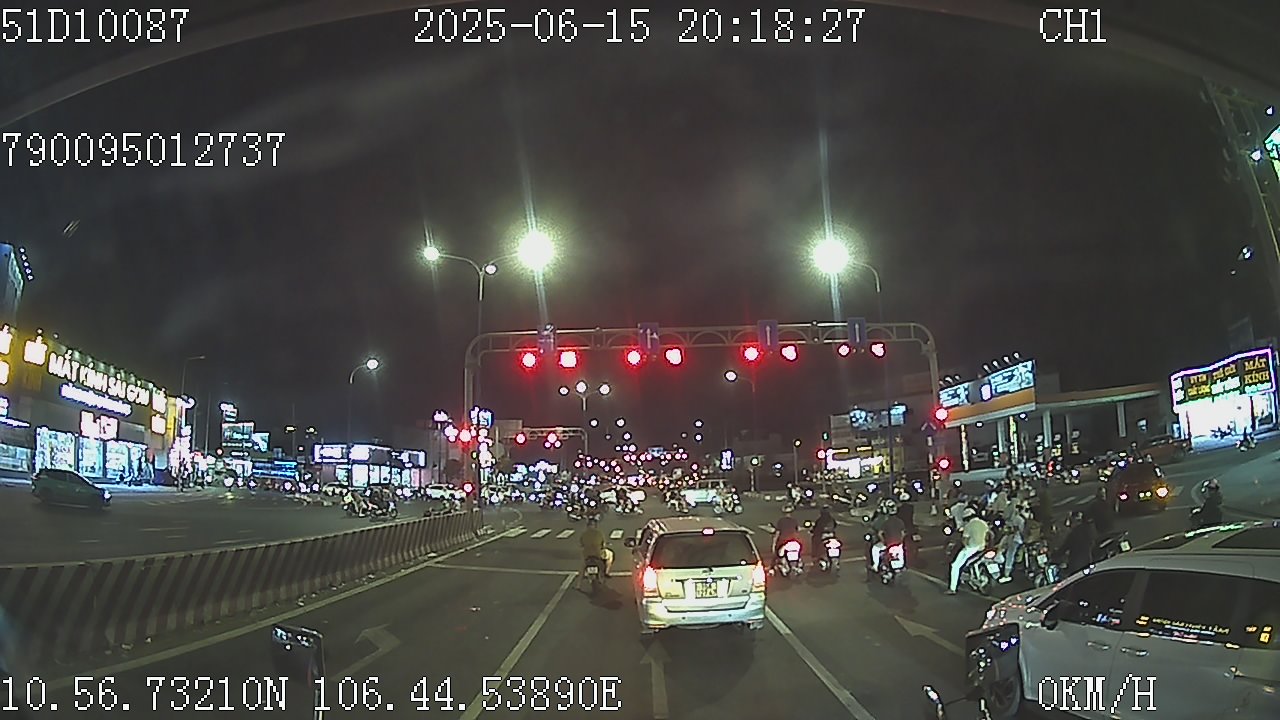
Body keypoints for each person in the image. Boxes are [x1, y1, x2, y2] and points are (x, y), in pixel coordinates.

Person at [947, 508, 990, 595]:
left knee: (955, 566)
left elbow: (965, 540)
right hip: (982, 547)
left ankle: (952, 588)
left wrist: (966, 546)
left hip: (971, 548)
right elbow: (988, 535)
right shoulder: (983, 523)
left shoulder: (969, 525)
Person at [868, 501, 907, 579]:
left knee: (875, 549)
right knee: (901, 551)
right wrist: (900, 541)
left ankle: (875, 566)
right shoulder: (900, 521)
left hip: (888, 544)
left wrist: (883, 541)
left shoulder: (886, 522)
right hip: (898, 544)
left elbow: (880, 533)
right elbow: (903, 533)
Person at [1052, 510, 1096, 577]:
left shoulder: (1075, 533)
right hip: (1088, 561)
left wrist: (1054, 555)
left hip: (1076, 564)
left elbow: (1065, 547)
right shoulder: (1088, 529)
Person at [998, 501, 1030, 583]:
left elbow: (1014, 530)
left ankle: (1006, 574)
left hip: (1017, 539)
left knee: (1010, 554)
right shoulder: (1028, 516)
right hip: (1026, 539)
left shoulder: (1017, 518)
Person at [578, 516, 610, 581]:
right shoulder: (599, 533)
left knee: (582, 567)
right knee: (609, 556)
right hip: (597, 554)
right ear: (595, 526)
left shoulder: (584, 534)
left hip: (587, 555)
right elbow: (603, 544)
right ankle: (606, 573)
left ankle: (578, 584)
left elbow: (581, 545)